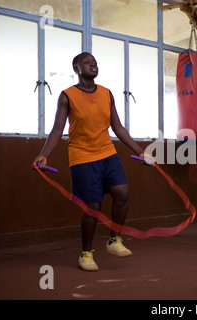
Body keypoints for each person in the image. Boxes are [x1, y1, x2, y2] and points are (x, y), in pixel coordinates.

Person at [33, 52, 153, 271]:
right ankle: (86, 254)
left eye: (95, 62)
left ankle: (114, 240)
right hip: (82, 157)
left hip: (108, 153)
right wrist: (44, 154)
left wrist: (141, 151)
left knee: (122, 193)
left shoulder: (107, 94)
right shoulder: (67, 96)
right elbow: (57, 130)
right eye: (87, 62)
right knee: (92, 207)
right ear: (77, 68)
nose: (93, 65)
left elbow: (118, 127)